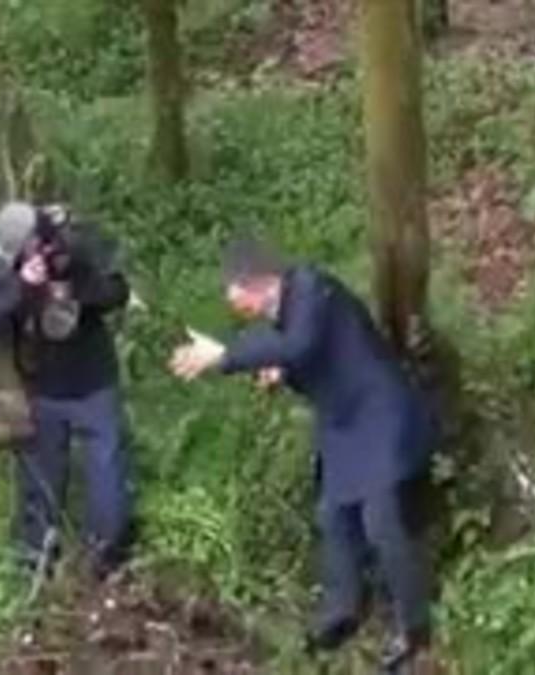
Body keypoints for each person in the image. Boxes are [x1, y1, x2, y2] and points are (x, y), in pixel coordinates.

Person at [168, 236, 437, 673]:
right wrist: (280, 372)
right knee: (334, 515)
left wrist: (225, 356)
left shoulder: (311, 287)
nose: (234, 304)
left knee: (381, 521)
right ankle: (342, 610)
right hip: (343, 427)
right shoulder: (281, 315)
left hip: (379, 416)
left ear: (255, 281)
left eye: (235, 292)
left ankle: (413, 627)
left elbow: (301, 345)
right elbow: (295, 353)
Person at [0, 200, 135, 581]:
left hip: (94, 383)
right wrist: (23, 286)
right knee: (39, 484)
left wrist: (75, 282)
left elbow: (118, 292)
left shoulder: (80, 245)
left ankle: (104, 563)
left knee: (108, 477)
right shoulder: (0, 261)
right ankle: (33, 567)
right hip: (40, 387)